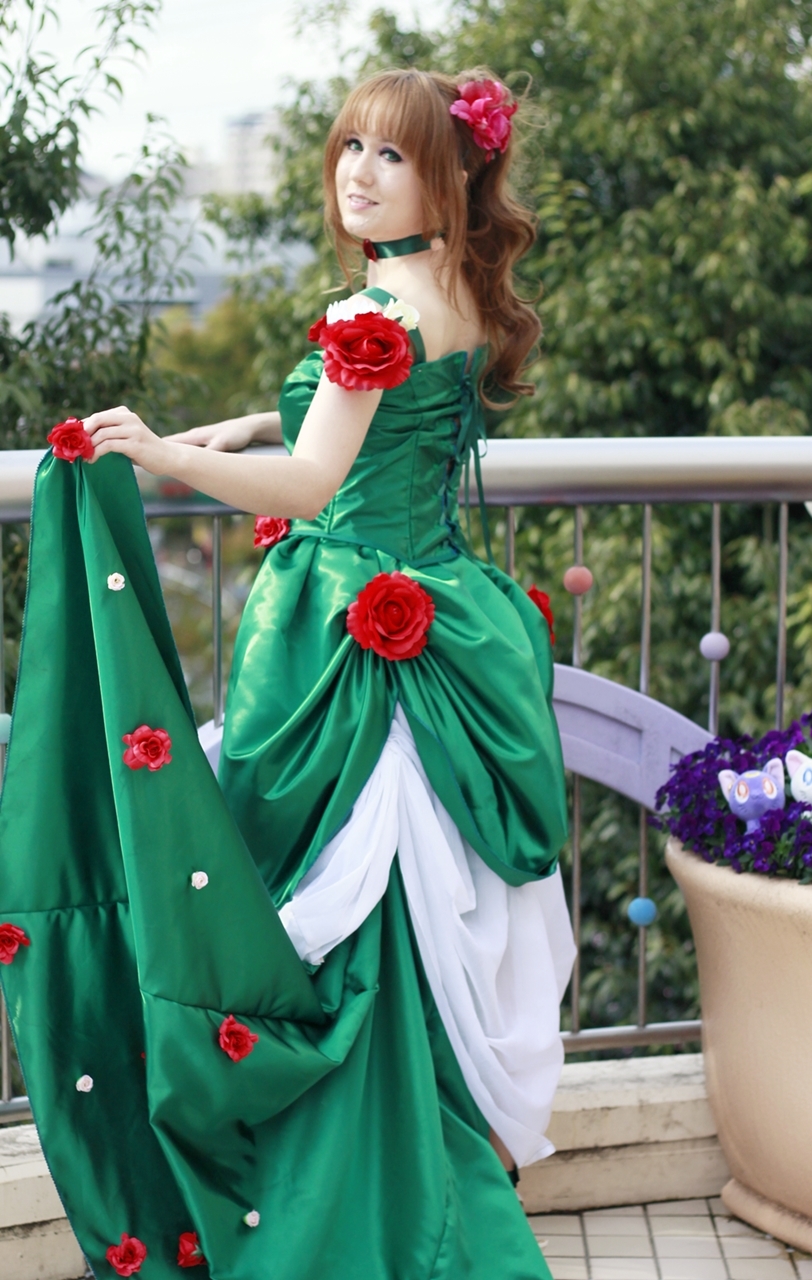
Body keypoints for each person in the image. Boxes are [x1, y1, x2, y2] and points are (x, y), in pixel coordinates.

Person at [3, 68, 575, 1280]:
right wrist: (262, 422)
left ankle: (335, 1206)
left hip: (346, 644)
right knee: (402, 928)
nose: (358, 172)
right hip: (440, 610)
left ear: (447, 177)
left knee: (332, 925)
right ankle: (406, 1190)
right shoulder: (456, 289)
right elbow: (375, 432)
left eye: (393, 155)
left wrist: (162, 451)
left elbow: (317, 487)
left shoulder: (377, 312)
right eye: (350, 146)